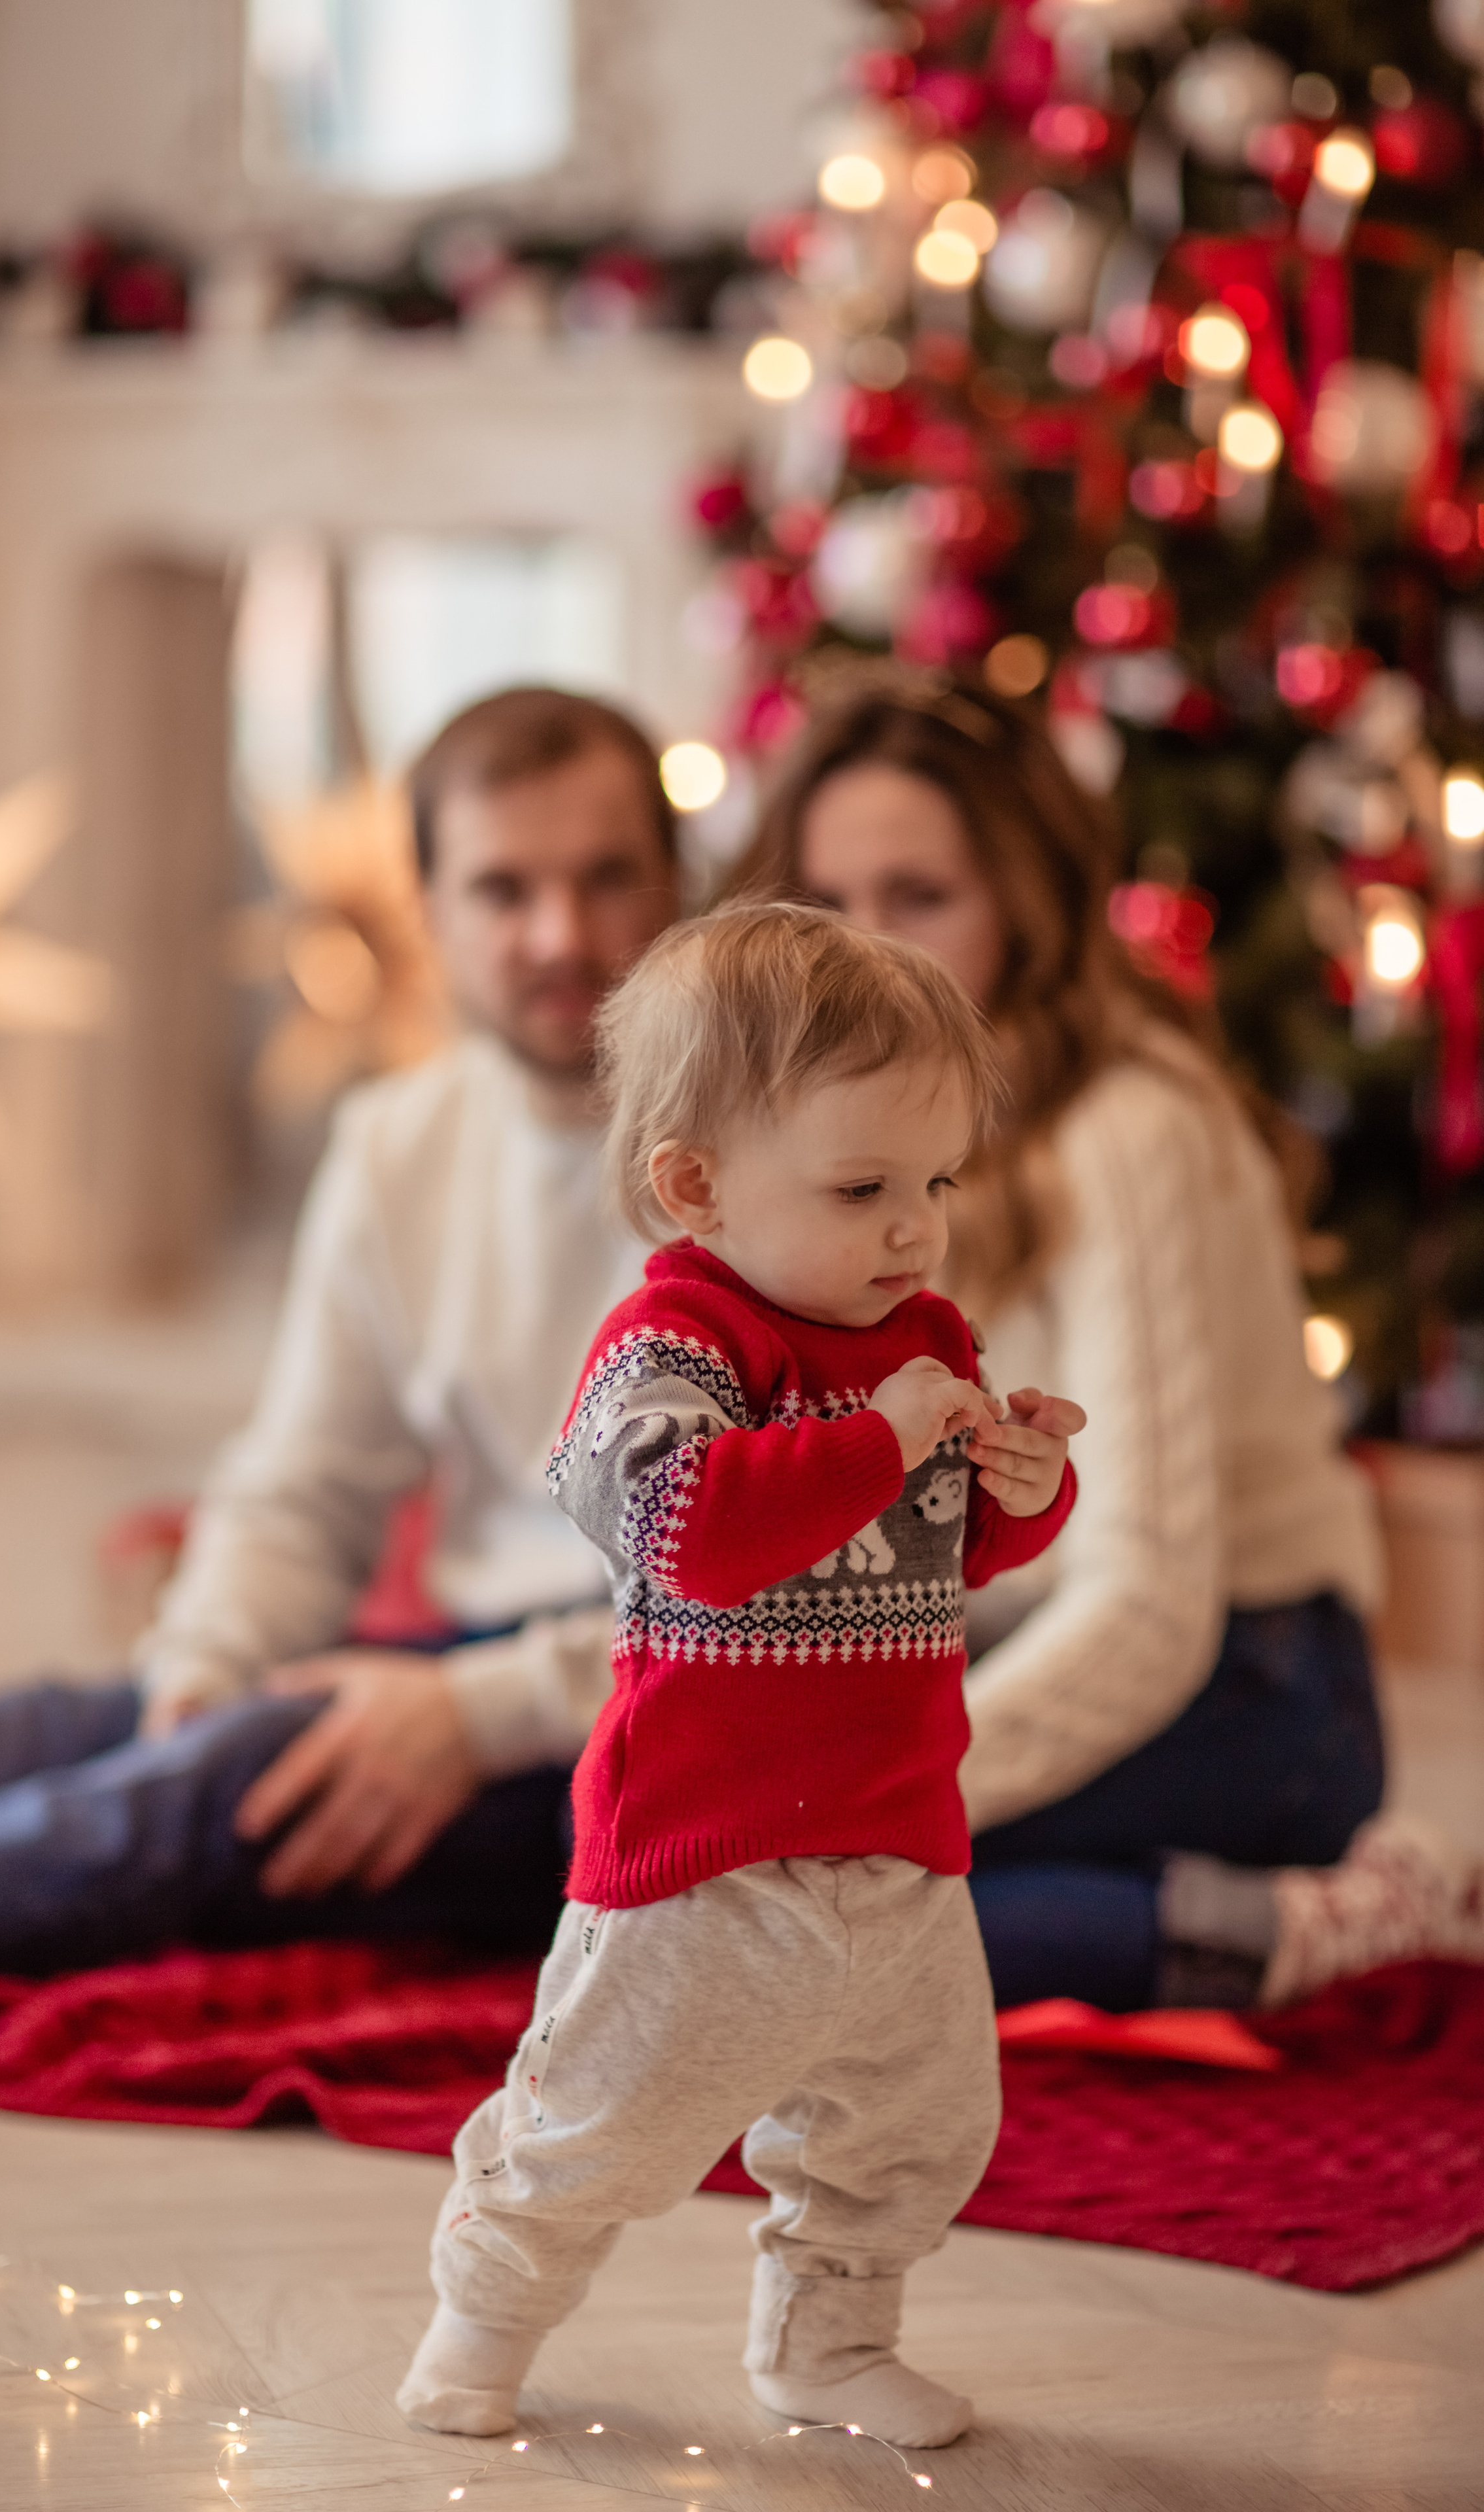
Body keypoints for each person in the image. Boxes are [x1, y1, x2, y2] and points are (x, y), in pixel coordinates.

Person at [0, 687, 678, 1974]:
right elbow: (303, 1487)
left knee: (161, 1817)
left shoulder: (766, 1153)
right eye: (504, 891)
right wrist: (199, 1676)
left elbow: (786, 1595)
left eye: (606, 878)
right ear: (428, 910)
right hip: (451, 1665)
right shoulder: (399, 1143)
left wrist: (463, 1712)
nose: (561, 934)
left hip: (654, 1722)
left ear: (677, 883)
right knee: (36, 1733)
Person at [397, 903, 1082, 2449]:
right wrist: (887, 1435)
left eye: (934, 1183)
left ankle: (827, 2342)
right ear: (694, 1184)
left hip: (896, 1836)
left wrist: (1019, 1481)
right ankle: (481, 2319)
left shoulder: (916, 1337)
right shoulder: (669, 1348)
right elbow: (685, 1533)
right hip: (702, 1859)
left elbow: (949, 1554)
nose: (914, 1229)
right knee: (600, 2125)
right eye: (862, 1188)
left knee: (912, 2132)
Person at [731, 672, 1484, 2012]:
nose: (865, 953)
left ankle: (1302, 1920)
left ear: (1021, 902)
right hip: (1010, 1632)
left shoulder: (1123, 1127)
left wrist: (861, 1811)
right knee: (695, 1870)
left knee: (790, 1930)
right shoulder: (848, 1141)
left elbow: (1143, 1607)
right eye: (826, 904)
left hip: (1256, 1686)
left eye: (920, 897)